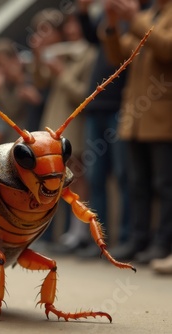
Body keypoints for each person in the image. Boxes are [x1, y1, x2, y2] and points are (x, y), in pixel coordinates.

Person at [100, 0, 172, 264]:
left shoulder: (149, 17)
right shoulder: (148, 14)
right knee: (136, 183)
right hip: (136, 117)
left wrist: (135, 19)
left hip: (163, 116)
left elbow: (167, 48)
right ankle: (138, 240)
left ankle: (163, 243)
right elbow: (118, 56)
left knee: (165, 185)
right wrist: (112, 24)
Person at [35, 13, 97, 254]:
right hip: (54, 125)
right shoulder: (62, 54)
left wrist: (62, 72)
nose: (71, 29)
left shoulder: (88, 54)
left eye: (74, 23)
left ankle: (80, 232)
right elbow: (40, 82)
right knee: (56, 180)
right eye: (67, 25)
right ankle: (65, 232)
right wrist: (41, 57)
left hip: (75, 124)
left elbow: (83, 93)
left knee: (77, 177)